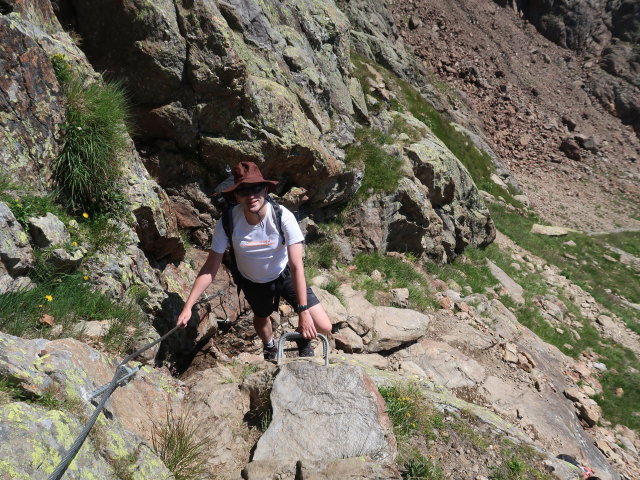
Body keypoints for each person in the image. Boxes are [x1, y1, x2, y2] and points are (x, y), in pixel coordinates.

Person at [177, 161, 332, 360]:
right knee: (261, 317)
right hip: (252, 281)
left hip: (285, 274)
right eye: (243, 191)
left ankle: (303, 339)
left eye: (256, 188)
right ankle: (270, 346)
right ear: (235, 195)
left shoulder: (282, 216)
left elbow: (296, 266)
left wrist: (303, 311)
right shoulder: (227, 221)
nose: (251, 196)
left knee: (324, 326)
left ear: (265, 189)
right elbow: (210, 268)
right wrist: (188, 306)